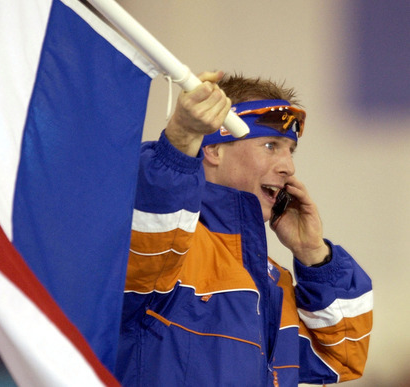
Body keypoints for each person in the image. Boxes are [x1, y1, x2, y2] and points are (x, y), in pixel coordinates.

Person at [116, 71, 373, 386]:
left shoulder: (273, 281)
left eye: (289, 150)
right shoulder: (165, 248)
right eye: (270, 145)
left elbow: (342, 358)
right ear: (213, 150)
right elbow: (156, 213)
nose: (288, 167)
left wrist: (313, 253)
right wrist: (182, 137)